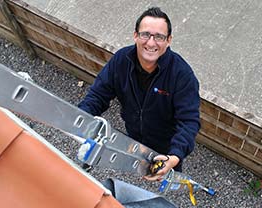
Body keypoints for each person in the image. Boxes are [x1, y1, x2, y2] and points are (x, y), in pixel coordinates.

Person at [78, 7, 200, 181]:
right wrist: (80, 118)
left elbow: (189, 121)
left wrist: (173, 157)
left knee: (162, 179)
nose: (151, 43)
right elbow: (98, 95)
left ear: (169, 40)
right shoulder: (121, 60)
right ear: (135, 35)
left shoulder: (182, 75)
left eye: (159, 37)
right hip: (133, 137)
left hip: (165, 146)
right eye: (145, 35)